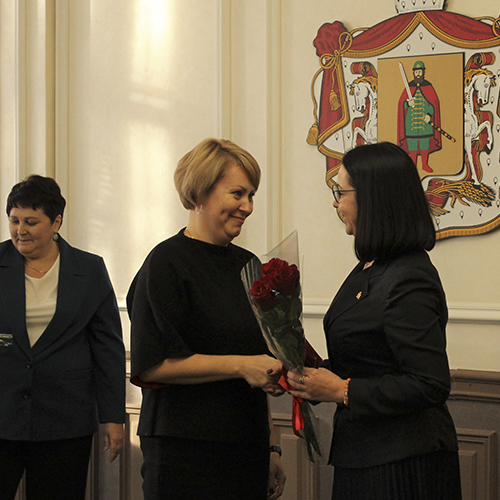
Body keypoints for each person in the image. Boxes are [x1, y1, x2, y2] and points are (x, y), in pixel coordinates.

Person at [287, 142, 462, 500]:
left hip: (402, 463)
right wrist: (311, 376)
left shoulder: (408, 276)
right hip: (366, 453)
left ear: (372, 199)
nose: (335, 203)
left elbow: (429, 383)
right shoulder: (372, 266)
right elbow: (369, 360)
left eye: (340, 192)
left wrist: (341, 390)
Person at [127, 138, 286, 500]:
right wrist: (242, 366)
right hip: (183, 451)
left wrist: (271, 447)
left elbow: (261, 365)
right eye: (237, 194)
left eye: (251, 195)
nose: (247, 206)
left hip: (246, 446)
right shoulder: (165, 263)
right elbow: (153, 366)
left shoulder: (250, 265)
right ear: (199, 192)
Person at [0, 175, 126, 500]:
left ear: (56, 222)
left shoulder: (89, 269)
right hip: (3, 413)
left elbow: (108, 348)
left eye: (31, 222)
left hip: (65, 420)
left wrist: (113, 417)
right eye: (14, 220)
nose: (20, 230)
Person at [397, 60, 441, 173]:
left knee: (424, 145)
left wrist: (429, 115)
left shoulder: (428, 86)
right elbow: (401, 105)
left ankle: (425, 165)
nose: (418, 74)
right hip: (411, 126)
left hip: (424, 126)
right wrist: (408, 104)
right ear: (413, 73)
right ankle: (413, 166)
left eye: (420, 72)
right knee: (412, 147)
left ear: (423, 72)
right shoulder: (409, 87)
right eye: (416, 72)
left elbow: (433, 105)